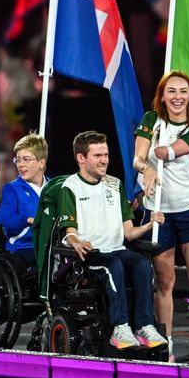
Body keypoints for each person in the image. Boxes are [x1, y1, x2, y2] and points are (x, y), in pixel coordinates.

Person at [133, 70, 189, 365]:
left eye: (183, 91)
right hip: (158, 212)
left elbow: (167, 151)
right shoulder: (150, 120)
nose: (177, 97)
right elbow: (138, 157)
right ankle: (167, 344)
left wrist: (158, 154)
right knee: (165, 280)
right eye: (171, 91)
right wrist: (143, 169)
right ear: (162, 96)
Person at [58, 130, 168, 351]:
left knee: (142, 264)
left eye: (106, 155)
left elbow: (128, 233)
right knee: (113, 266)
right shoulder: (70, 188)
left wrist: (149, 224)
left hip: (117, 249)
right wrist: (76, 242)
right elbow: (69, 231)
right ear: (81, 158)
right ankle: (120, 327)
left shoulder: (115, 185)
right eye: (97, 156)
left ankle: (145, 325)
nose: (104, 160)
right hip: (90, 255)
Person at [0, 132, 48, 268]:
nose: (20, 164)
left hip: (52, 247)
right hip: (23, 249)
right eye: (18, 159)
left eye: (26, 159)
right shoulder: (12, 189)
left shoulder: (54, 188)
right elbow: (4, 218)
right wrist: (27, 219)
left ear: (41, 163)